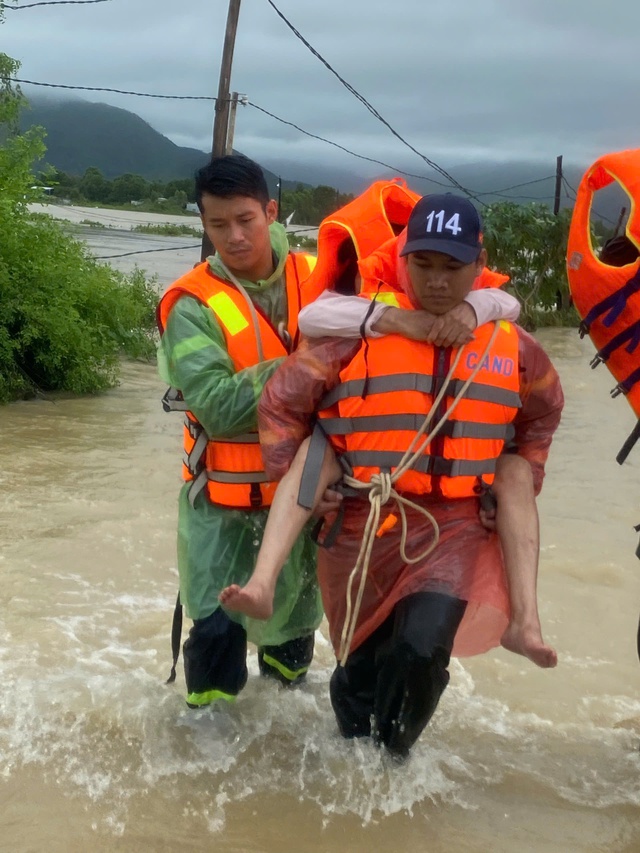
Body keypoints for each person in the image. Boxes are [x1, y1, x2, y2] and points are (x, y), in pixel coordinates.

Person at [221, 194, 564, 758]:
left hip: (451, 529)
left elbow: (543, 412)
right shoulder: (356, 331)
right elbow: (282, 402)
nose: (436, 281)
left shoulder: (513, 346)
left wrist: (515, 479)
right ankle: (356, 765)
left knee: (423, 649)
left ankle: (394, 765)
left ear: (479, 267)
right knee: (359, 670)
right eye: (423, 264)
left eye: (452, 268)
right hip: (360, 524)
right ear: (402, 261)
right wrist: (302, 479)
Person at [156, 154, 325, 708]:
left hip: (302, 511)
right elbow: (220, 408)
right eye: (216, 224)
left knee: (292, 661)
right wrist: (306, 363)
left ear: (270, 211)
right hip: (221, 513)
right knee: (212, 664)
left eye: (245, 220)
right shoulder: (192, 305)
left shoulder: (322, 277)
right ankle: (203, 774)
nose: (232, 236)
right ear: (202, 222)